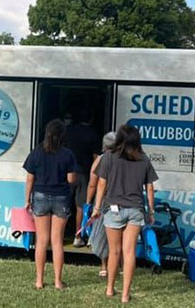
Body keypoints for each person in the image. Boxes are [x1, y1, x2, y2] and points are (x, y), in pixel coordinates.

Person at [91, 124, 158, 304]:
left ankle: (110, 288)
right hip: (136, 210)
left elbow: (101, 184)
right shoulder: (143, 159)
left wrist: (96, 208)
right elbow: (150, 187)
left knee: (114, 252)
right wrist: (151, 210)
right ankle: (125, 294)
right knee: (129, 253)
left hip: (113, 209)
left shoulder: (108, 157)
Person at [23, 119, 79, 290]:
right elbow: (71, 179)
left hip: (39, 196)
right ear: (62, 135)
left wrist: (27, 200)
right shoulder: (67, 154)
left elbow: (30, 178)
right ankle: (57, 281)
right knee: (57, 241)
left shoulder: (37, 152)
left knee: (41, 241)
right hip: (61, 197)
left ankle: (39, 281)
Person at [66, 107, 100, 247]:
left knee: (63, 204)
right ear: (91, 119)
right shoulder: (93, 134)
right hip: (84, 174)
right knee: (81, 206)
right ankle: (78, 236)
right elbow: (96, 158)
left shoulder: (69, 131)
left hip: (67, 173)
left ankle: (57, 234)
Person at [86, 131, 116, 277]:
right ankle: (119, 264)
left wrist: (88, 202)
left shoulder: (101, 159)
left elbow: (93, 183)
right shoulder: (125, 158)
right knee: (119, 233)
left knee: (101, 232)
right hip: (121, 200)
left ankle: (104, 265)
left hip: (104, 200)